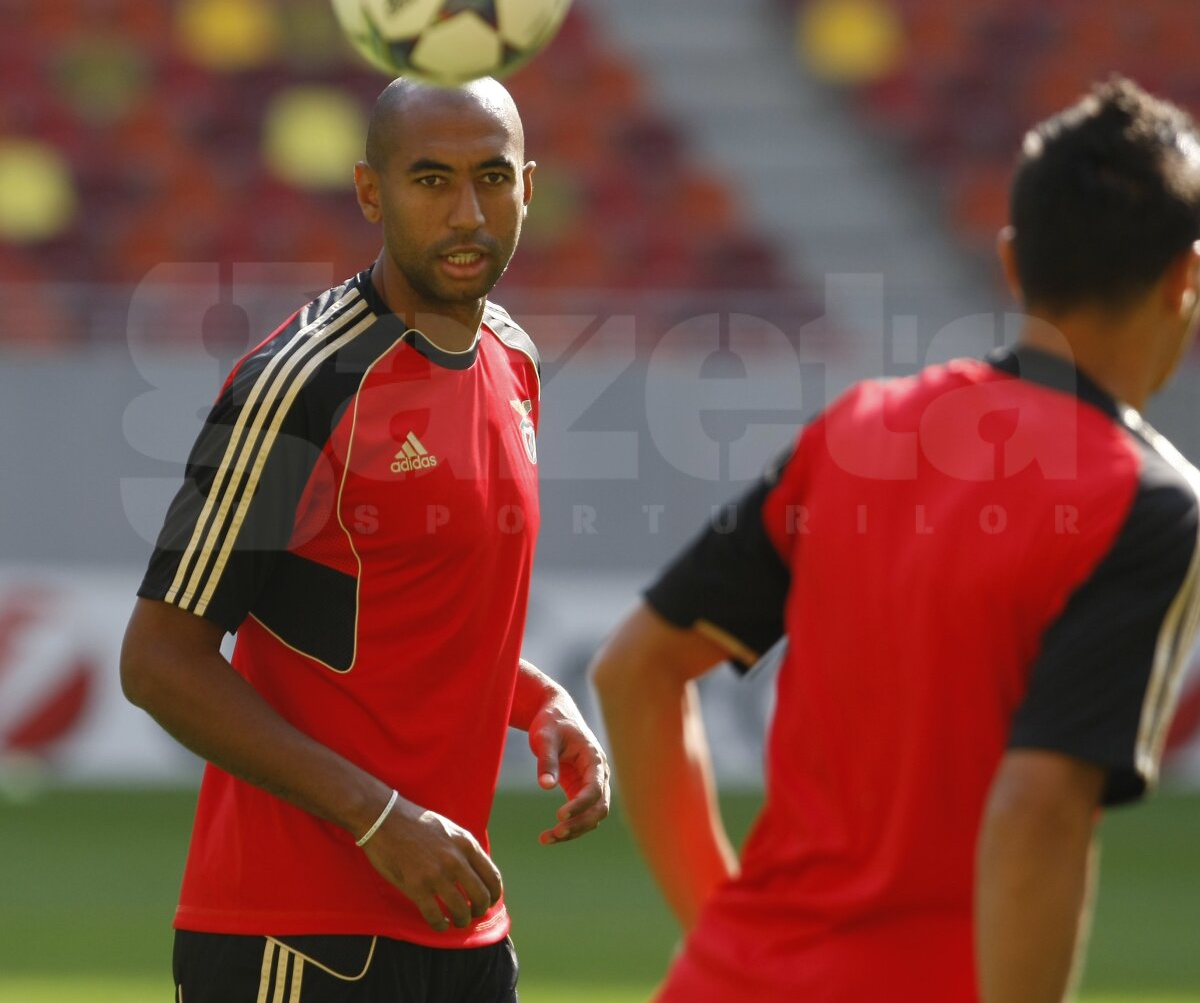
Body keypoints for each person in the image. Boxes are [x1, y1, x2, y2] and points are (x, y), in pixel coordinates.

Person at [591, 75, 1200, 1003]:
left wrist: (728, 936)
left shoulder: (857, 429)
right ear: (1186, 276)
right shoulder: (1150, 505)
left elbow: (635, 670)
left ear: (1011, 263)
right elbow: (1037, 810)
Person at [121, 76, 609, 1003]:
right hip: (295, 939)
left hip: (461, 925)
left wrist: (538, 701)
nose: (467, 213)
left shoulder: (513, 358)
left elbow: (397, 611)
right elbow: (158, 662)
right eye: (431, 181)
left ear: (529, 188)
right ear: (370, 192)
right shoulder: (302, 384)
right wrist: (379, 819)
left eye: (491, 179)